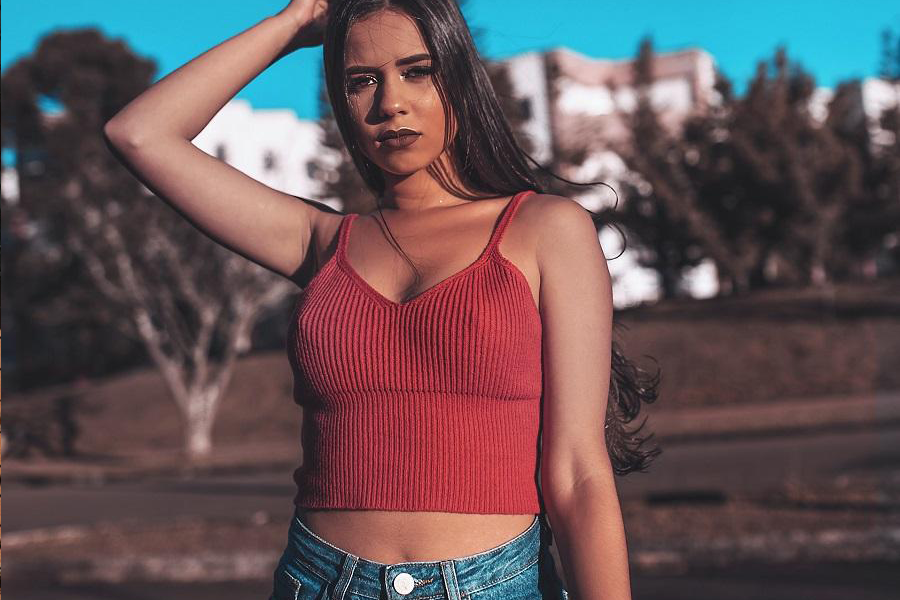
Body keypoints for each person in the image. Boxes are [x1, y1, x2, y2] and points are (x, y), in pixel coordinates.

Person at [103, 0, 662, 598]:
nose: (388, 103)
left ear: (457, 76)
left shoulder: (545, 229)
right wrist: (293, 25)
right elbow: (138, 135)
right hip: (319, 581)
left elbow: (577, 475)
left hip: (492, 584)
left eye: (416, 70)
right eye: (360, 80)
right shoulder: (320, 242)